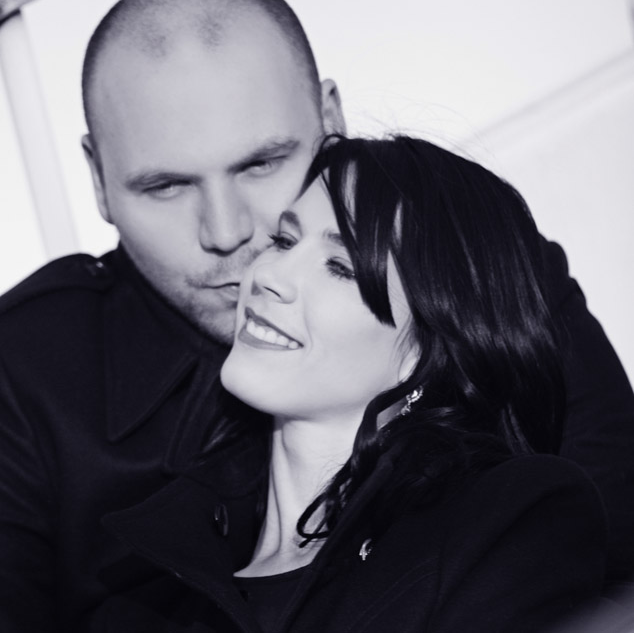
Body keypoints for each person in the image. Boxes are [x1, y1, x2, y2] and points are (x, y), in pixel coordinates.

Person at [0, 0, 633, 630]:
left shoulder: (474, 275)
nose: (227, 233)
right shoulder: (16, 381)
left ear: (332, 121)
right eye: (165, 187)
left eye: (260, 164)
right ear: (98, 180)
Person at [102, 134, 607, 632]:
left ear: (427, 350)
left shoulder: (505, 523)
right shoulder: (146, 580)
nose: (269, 275)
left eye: (340, 267)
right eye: (284, 240)